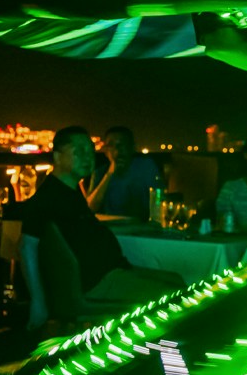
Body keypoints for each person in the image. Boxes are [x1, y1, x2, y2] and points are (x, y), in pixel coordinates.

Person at [18, 126, 183, 331]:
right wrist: (38, 301)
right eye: (79, 151)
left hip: (111, 272)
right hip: (96, 283)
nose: (88, 157)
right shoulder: (48, 198)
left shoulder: (70, 193)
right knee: (176, 295)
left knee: (177, 279)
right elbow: (27, 246)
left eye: (90, 150)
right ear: (58, 157)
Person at [87, 126, 162, 220]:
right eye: (111, 145)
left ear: (132, 147)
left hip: (143, 228)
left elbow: (159, 201)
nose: (117, 149)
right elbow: (89, 209)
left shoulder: (146, 167)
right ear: (106, 151)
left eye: (122, 144)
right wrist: (109, 175)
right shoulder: (100, 173)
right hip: (112, 229)